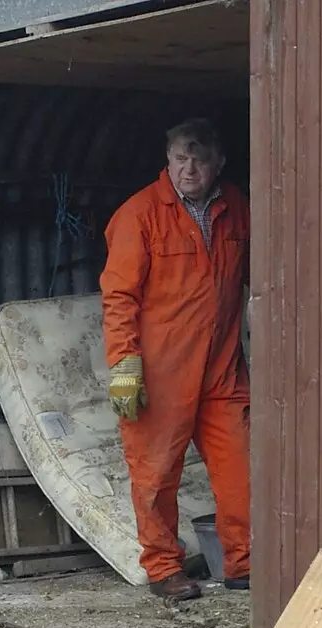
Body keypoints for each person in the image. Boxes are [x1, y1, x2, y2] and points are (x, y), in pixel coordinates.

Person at [100, 118, 252, 601]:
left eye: (200, 158)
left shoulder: (236, 209)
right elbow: (118, 296)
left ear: (218, 164)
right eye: (180, 158)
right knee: (155, 474)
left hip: (222, 368)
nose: (189, 168)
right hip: (162, 375)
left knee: (241, 468)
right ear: (167, 160)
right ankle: (165, 569)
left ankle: (244, 563)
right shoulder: (139, 215)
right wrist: (125, 365)